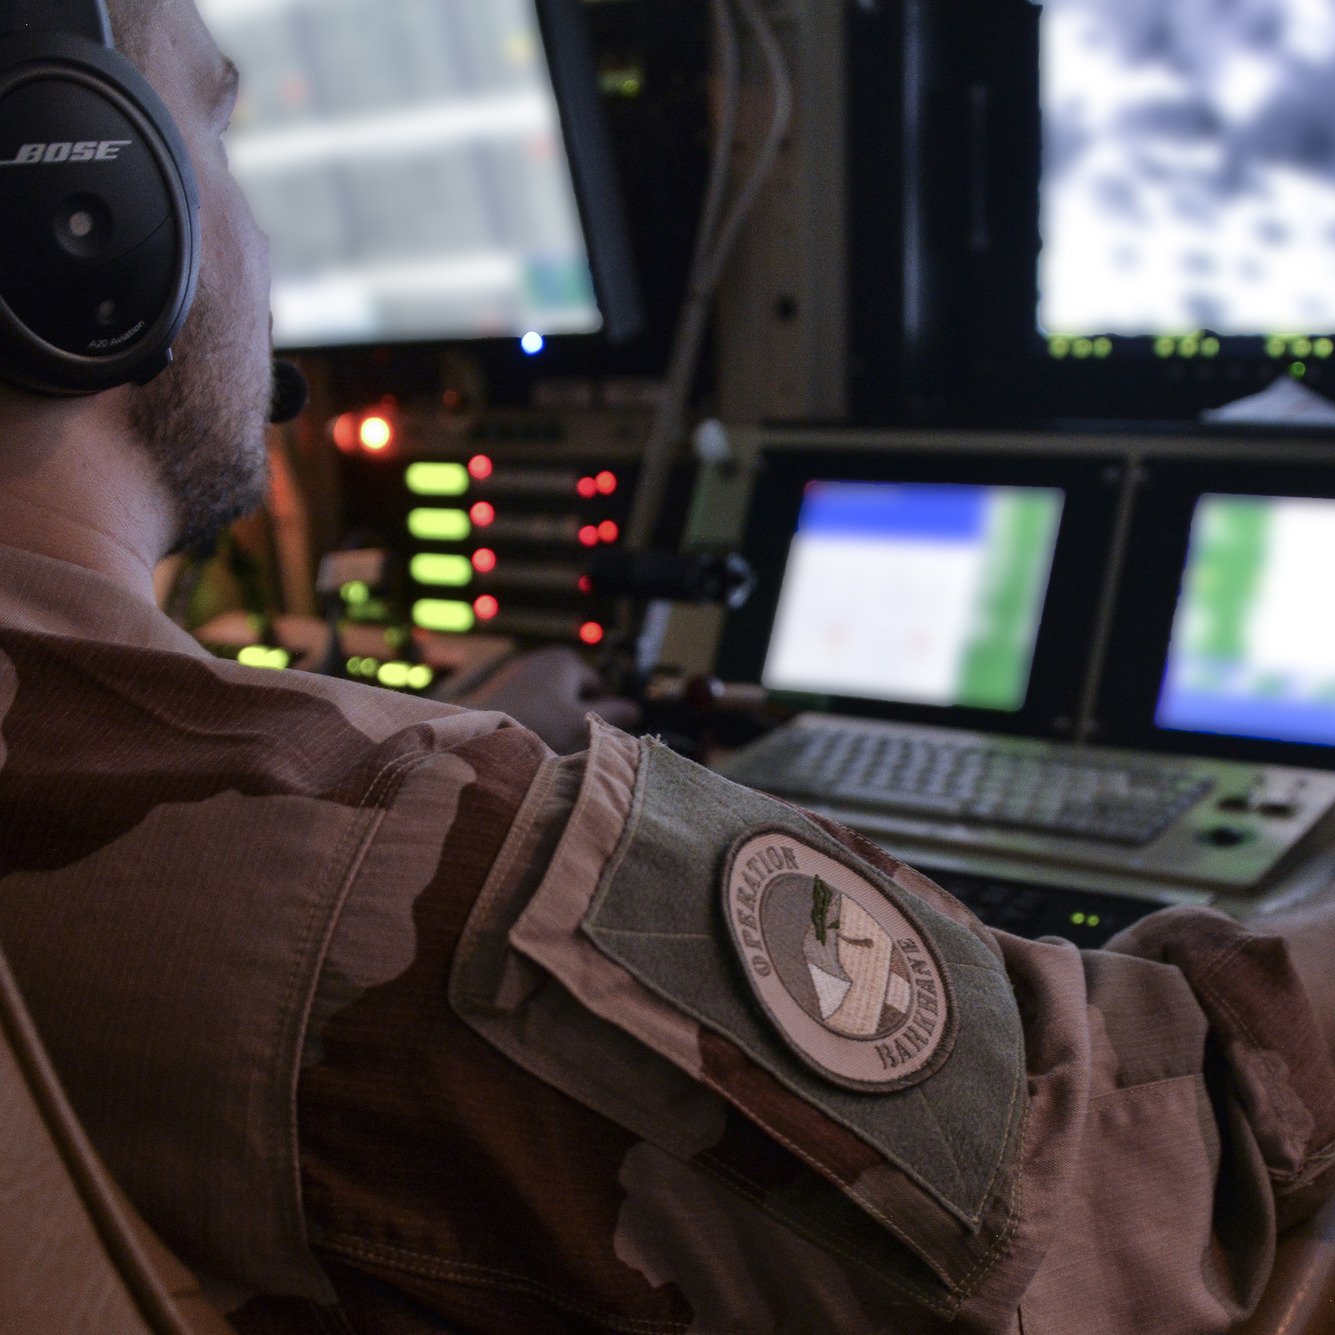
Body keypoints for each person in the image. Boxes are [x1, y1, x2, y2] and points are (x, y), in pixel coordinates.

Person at [0, 2, 1334, 1332]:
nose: (266, 243)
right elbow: (1143, 1186)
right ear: (83, 207)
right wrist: (461, 782)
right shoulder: (377, 857)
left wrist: (466, 733)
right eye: (219, 134)